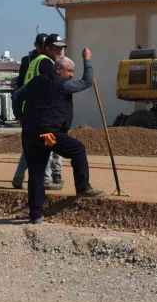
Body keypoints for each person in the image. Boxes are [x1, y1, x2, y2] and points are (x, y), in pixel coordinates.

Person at [14, 47, 103, 224]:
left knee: (36, 173)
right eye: (69, 71)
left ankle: (36, 215)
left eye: (73, 72)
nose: (71, 75)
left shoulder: (36, 82)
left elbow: (17, 95)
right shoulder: (61, 84)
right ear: (58, 69)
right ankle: (83, 187)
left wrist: (20, 117)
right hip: (47, 134)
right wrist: (87, 59)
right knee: (77, 149)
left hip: (30, 135)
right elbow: (86, 81)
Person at [12, 33, 64, 190]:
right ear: (41, 47)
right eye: (55, 48)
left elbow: (21, 89)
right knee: (46, 145)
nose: (59, 51)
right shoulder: (43, 63)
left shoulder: (35, 61)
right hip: (41, 113)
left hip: (31, 111)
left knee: (32, 146)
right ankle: (47, 179)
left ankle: (20, 176)